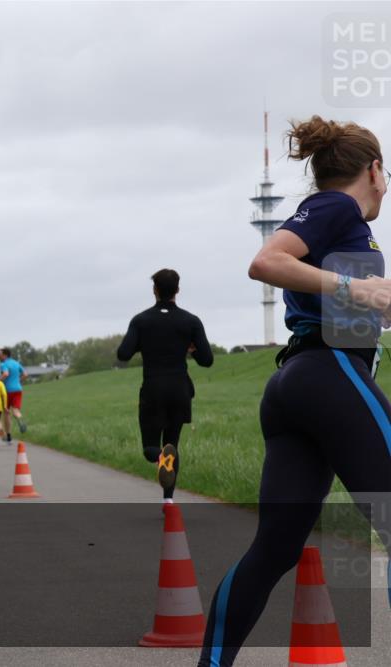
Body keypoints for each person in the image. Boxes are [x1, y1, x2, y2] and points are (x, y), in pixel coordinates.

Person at [199, 116, 391, 667]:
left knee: (275, 549)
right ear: (374, 170)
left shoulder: (340, 222)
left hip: (297, 383)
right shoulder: (337, 208)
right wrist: (359, 288)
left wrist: (371, 300)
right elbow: (266, 262)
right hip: (328, 377)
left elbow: (345, 304)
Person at [115, 269, 213, 504]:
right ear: (177, 290)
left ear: (154, 290)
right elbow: (207, 360)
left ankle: (160, 457)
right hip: (180, 390)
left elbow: (123, 354)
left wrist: (142, 342)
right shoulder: (191, 321)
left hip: (153, 389)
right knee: (173, 443)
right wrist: (191, 349)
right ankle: (168, 500)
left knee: (151, 448)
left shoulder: (141, 321)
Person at [0, 347, 28, 442]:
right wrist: (18, 381)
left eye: (0, 354)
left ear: (5, 355)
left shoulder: (4, 364)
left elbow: (5, 374)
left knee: (6, 413)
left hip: (7, 391)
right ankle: (20, 419)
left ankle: (9, 435)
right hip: (18, 389)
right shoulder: (16, 363)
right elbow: (25, 374)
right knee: (15, 410)